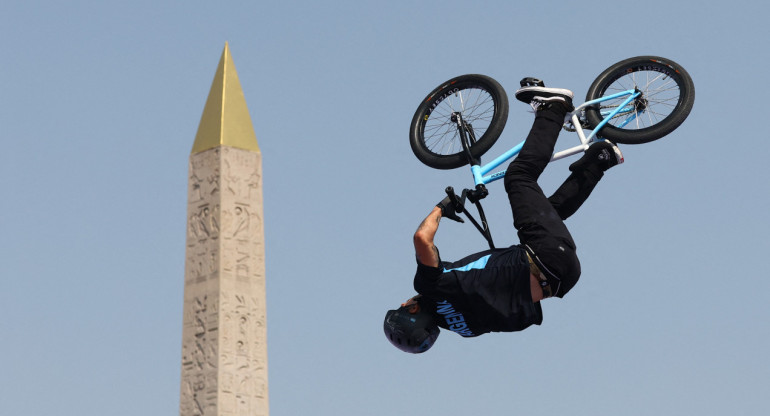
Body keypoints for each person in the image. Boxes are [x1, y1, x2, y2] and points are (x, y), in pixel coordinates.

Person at [383, 81, 625, 353]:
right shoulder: (431, 287)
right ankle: (553, 108)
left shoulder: (469, 330)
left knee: (549, 214)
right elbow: (421, 238)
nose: (406, 300)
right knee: (519, 176)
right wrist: (442, 207)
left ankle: (601, 159)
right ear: (413, 308)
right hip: (544, 255)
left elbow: (522, 313)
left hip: (564, 277)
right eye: (404, 305)